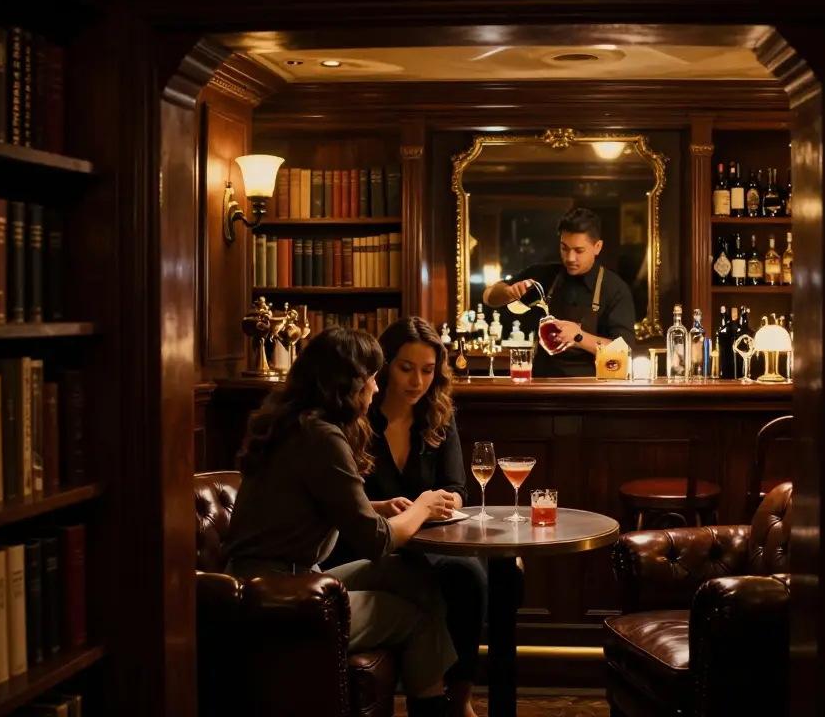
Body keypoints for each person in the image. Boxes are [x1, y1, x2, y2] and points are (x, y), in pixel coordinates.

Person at [224, 326, 460, 717]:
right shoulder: (322, 436)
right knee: (413, 617)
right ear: (345, 384)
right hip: (280, 598)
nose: (376, 388)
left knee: (415, 575)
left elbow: (314, 503)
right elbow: (377, 542)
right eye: (370, 378)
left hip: (283, 579)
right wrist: (422, 507)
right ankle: (435, 707)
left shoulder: (297, 422)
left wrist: (377, 506)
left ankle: (435, 700)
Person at [369, 316, 487, 717]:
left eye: (427, 370)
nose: (417, 381)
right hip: (371, 542)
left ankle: (461, 697)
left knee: (471, 575)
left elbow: (457, 489)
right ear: (384, 366)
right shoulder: (358, 415)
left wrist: (442, 502)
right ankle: (429, 697)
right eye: (406, 368)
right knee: (432, 578)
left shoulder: (438, 413)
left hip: (430, 537)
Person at [482, 206, 636, 377]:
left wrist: (579, 337)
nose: (570, 258)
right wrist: (509, 292)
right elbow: (489, 297)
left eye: (579, 251)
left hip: (591, 389)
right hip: (542, 385)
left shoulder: (614, 289)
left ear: (597, 247)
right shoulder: (544, 276)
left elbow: (624, 350)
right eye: (564, 248)